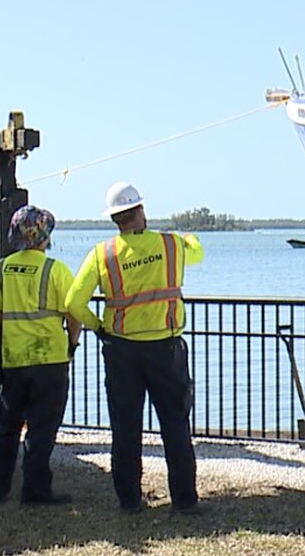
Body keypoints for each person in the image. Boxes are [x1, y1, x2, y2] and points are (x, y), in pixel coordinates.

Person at [65, 181, 204, 514]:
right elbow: (197, 252)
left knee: (125, 429)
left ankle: (129, 501)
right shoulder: (172, 246)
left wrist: (99, 327)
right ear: (140, 210)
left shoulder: (104, 254)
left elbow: (73, 302)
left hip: (121, 351)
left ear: (114, 219)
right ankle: (184, 500)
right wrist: (186, 236)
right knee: (175, 425)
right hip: (166, 349)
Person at [0, 205, 82, 505]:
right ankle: (36, 491)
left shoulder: (2, 268)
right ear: (44, 236)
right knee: (41, 430)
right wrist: (72, 344)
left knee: (8, 425)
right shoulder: (56, 270)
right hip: (50, 359)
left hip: (14, 359)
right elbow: (74, 313)